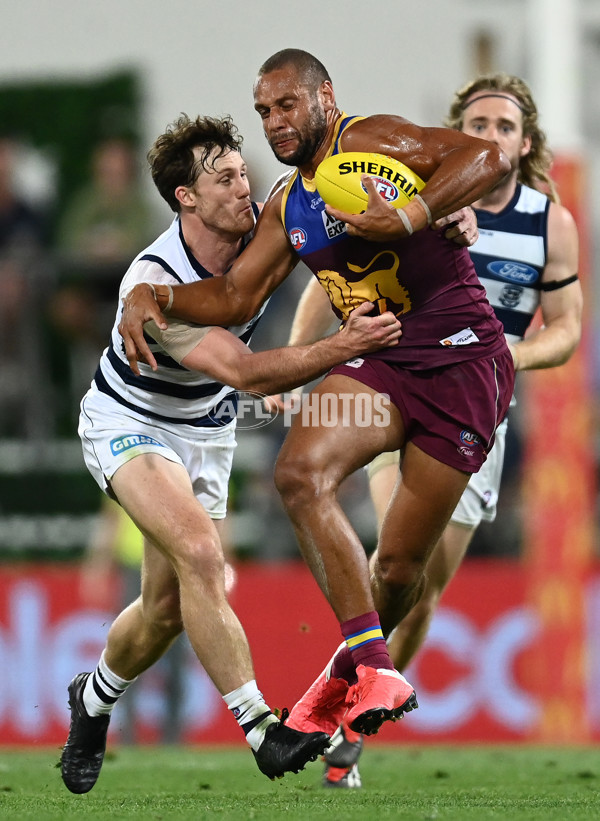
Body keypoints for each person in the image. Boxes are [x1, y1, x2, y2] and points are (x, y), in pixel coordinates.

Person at [117, 49, 513, 749]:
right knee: (298, 472)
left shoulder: (372, 140)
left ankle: (346, 674)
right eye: (264, 110)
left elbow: (487, 158)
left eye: (287, 104)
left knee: (396, 569)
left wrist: (415, 213)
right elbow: (238, 294)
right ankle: (376, 668)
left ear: (325, 95)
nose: (274, 122)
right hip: (382, 357)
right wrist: (155, 293)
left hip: (462, 360)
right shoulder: (289, 200)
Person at [60, 112, 406, 794]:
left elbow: (334, 240)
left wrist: (433, 217)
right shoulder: (158, 280)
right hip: (131, 420)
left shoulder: (260, 229)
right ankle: (260, 729)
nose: (242, 186)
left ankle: (92, 700)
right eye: (222, 179)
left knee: (164, 609)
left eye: (243, 171)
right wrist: (336, 349)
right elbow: (246, 373)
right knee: (200, 553)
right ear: (184, 198)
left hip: (206, 430)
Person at [281, 72, 583, 787]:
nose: (489, 137)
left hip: (478, 401)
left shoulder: (549, 222)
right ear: (453, 133)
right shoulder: (404, 188)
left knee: (413, 582)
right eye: (476, 124)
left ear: (525, 143)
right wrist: (302, 367)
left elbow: (568, 332)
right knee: (378, 534)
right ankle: (347, 681)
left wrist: (513, 350)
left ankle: (349, 711)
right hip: (390, 377)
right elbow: (328, 276)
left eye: (504, 127)